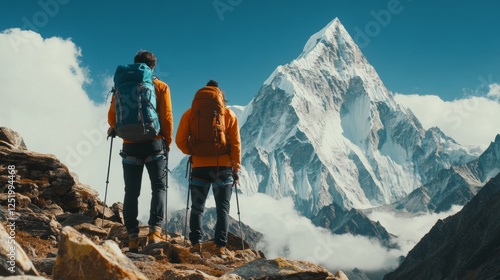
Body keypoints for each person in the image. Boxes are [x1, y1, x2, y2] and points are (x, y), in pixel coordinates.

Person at [107, 51, 174, 253]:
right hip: (154, 144)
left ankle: (133, 237)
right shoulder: (160, 86)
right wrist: (167, 142)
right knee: (159, 188)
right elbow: (167, 117)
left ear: (136, 64)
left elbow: (112, 118)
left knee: (132, 191)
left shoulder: (121, 85)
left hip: (130, 145)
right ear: (152, 67)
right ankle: (155, 232)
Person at [175, 80, 241, 252]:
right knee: (222, 210)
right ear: (220, 96)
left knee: (197, 208)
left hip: (199, 168)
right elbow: (235, 144)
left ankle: (196, 244)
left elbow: (180, 141)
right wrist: (235, 169)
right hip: (223, 168)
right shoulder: (229, 115)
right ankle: (220, 246)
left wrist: (194, 152)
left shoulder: (190, 114)